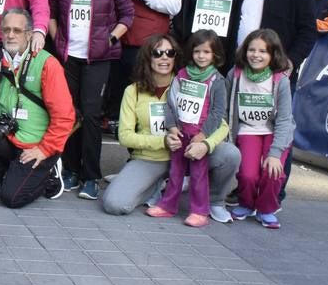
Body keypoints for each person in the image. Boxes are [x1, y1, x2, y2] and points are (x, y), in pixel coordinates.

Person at [100, 34, 240, 222]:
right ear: (148, 57)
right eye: (157, 53)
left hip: (191, 150)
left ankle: (213, 201)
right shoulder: (132, 91)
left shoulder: (189, 81)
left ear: (176, 56)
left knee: (230, 154)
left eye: (170, 52)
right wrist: (163, 141)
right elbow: (125, 136)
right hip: (152, 158)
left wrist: (205, 144)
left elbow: (221, 124)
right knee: (114, 204)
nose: (164, 57)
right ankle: (155, 187)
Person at [48, 0, 133, 200]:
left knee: (93, 115)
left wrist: (108, 40)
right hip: (68, 55)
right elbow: (50, 10)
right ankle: (71, 170)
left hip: (98, 59)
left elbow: (127, 16)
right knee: (69, 113)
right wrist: (57, 37)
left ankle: (90, 176)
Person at [0, 9, 74, 207]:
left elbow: (64, 116)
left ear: (29, 34)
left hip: (36, 145)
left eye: (17, 30)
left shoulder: (47, 64)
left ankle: (50, 171)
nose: (10, 35)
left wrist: (45, 149)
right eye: (6, 30)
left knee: (12, 198)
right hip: (6, 136)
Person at [146, 29, 227, 227]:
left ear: (215, 54)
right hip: (180, 133)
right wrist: (172, 126)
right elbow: (170, 103)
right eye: (197, 51)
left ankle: (200, 211)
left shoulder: (217, 81)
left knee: (199, 175)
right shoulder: (181, 75)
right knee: (175, 172)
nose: (201, 56)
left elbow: (218, 112)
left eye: (206, 52)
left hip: (199, 137)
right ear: (191, 52)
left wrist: (203, 135)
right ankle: (167, 206)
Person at [227, 29, 295, 229]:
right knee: (248, 175)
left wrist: (275, 153)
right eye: (252, 50)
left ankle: (266, 209)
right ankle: (247, 203)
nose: (256, 55)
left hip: (274, 132)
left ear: (273, 55)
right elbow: (228, 109)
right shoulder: (236, 74)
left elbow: (284, 119)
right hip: (248, 130)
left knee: (273, 171)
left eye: (263, 51)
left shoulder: (280, 80)